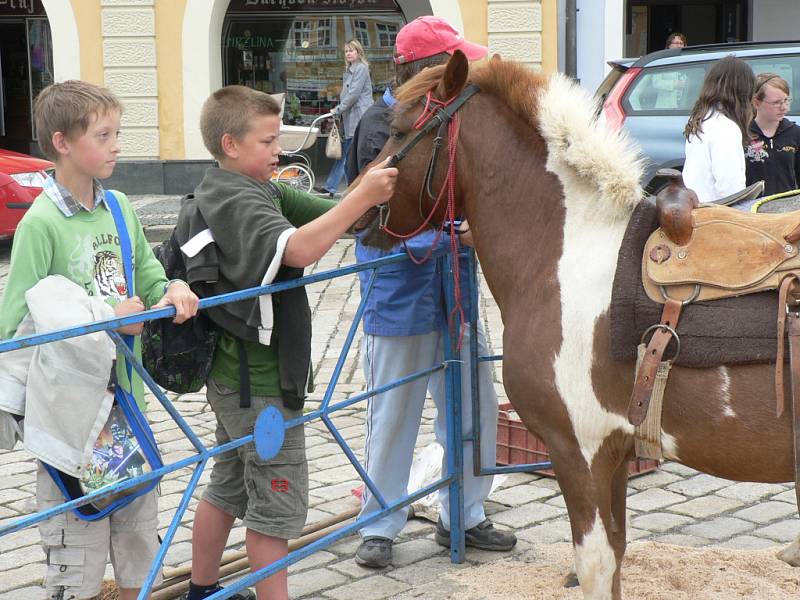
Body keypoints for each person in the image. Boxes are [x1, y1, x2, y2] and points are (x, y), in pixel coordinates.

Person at [181, 85, 397, 600]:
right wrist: (363, 197)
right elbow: (299, 248)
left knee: (229, 486)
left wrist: (372, 182)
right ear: (230, 144)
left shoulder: (259, 187)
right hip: (260, 395)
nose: (278, 149)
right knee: (274, 508)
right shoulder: (233, 199)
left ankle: (199, 590)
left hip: (240, 385)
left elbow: (336, 213)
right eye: (267, 140)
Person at [0, 80, 199, 600]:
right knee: (76, 540)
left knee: (138, 534)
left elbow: (148, 273)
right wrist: (104, 318)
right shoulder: (41, 223)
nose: (117, 146)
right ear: (63, 142)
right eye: (104, 135)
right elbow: (18, 321)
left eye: (118, 133)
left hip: (125, 400)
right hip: (69, 410)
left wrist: (172, 286)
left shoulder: (119, 207)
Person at [346, 16, 517, 570]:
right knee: (394, 409)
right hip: (401, 283)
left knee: (474, 406)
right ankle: (380, 522)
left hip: (454, 281)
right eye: (451, 63)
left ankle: (463, 512)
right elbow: (372, 212)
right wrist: (452, 231)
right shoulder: (382, 123)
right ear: (428, 69)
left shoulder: (451, 115)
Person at [683, 55, 756, 203]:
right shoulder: (726, 128)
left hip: (695, 209)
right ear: (743, 91)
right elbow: (731, 189)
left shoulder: (700, 119)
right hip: (715, 216)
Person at [317, 39, 373, 197]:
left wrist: (338, 110)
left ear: (358, 52)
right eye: (346, 51)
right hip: (350, 117)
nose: (348, 53)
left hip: (358, 116)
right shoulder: (349, 71)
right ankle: (348, 188)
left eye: (351, 50)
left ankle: (335, 187)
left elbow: (353, 94)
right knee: (348, 154)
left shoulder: (361, 69)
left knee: (348, 153)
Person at [745, 72, 800, 196]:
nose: (784, 107)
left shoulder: (795, 133)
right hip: (752, 210)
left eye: (786, 100)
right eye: (776, 102)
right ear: (756, 103)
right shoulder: (743, 134)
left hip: (787, 209)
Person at [652, 32, 688, 109]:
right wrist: (674, 84)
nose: (679, 46)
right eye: (676, 43)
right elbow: (656, 82)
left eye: (681, 43)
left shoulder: (689, 61)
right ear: (669, 45)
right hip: (665, 107)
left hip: (685, 107)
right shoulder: (662, 61)